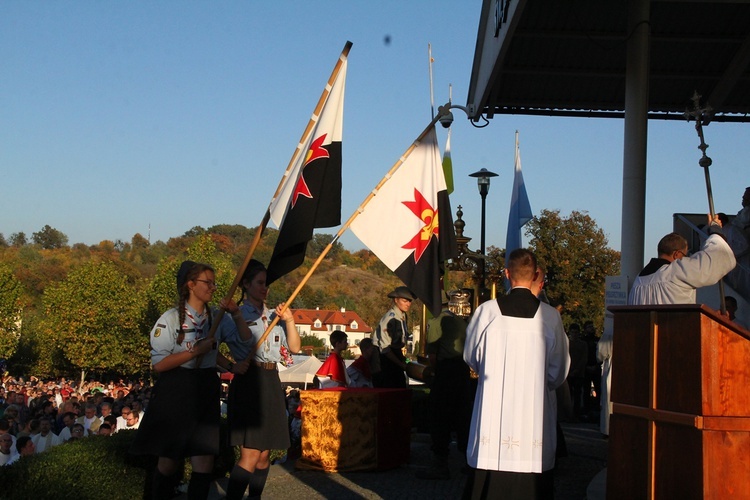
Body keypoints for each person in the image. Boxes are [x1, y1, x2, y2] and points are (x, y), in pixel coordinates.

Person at [130, 260, 250, 500]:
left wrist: (236, 314)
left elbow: (245, 339)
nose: (214, 287)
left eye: (215, 283)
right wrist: (195, 351)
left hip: (205, 387)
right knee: (169, 461)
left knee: (204, 459)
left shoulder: (216, 317)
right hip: (176, 389)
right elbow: (160, 364)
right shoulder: (171, 319)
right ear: (191, 284)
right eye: (208, 282)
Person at [463, 249, 570, 499]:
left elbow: (471, 356)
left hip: (493, 411)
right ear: (535, 276)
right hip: (533, 418)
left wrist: (494, 373)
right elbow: (558, 370)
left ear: (507, 274)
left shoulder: (486, 312)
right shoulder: (551, 317)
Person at [224, 259, 300, 500]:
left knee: (265, 454)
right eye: (259, 283)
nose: (264, 288)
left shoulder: (274, 316)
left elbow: (295, 349)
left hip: (271, 379)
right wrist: (230, 366)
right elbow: (209, 345)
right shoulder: (232, 314)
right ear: (245, 284)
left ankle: (255, 497)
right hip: (250, 382)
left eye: (266, 283)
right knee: (250, 454)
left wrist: (289, 320)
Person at [417, 290, 471, 480]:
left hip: (446, 372)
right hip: (463, 372)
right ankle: (469, 462)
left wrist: (434, 370)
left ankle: (439, 464)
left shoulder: (437, 320)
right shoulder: (462, 321)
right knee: (463, 417)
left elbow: (432, 355)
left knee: (440, 418)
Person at [628, 216, 736, 305]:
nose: (685, 258)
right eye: (685, 255)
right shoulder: (674, 272)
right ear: (676, 254)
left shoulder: (638, 280)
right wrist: (716, 232)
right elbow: (717, 257)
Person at [371, 286, 415, 389]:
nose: (408, 304)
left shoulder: (402, 316)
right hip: (383, 359)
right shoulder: (390, 318)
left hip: (394, 353)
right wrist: (400, 364)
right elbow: (385, 348)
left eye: (409, 301)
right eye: (405, 301)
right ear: (396, 300)